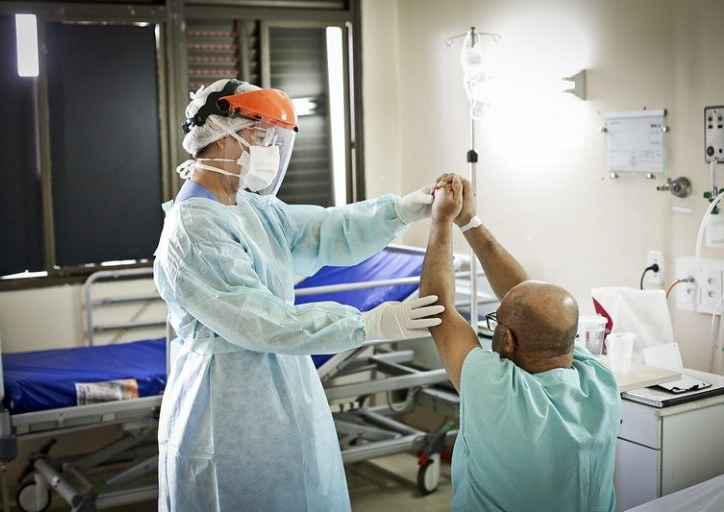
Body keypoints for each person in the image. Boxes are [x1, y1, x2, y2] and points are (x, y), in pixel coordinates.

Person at [153, 78, 445, 511]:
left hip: (282, 388)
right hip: (228, 409)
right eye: (261, 134)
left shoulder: (251, 208)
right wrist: (366, 323)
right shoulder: (195, 229)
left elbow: (323, 232)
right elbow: (261, 321)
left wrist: (400, 210)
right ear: (222, 136)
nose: (269, 147)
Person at [419, 174, 622, 512]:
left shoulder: (497, 388)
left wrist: (441, 219)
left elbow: (436, 309)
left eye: (497, 322)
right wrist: (470, 222)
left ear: (508, 341)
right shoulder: (598, 380)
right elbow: (531, 301)